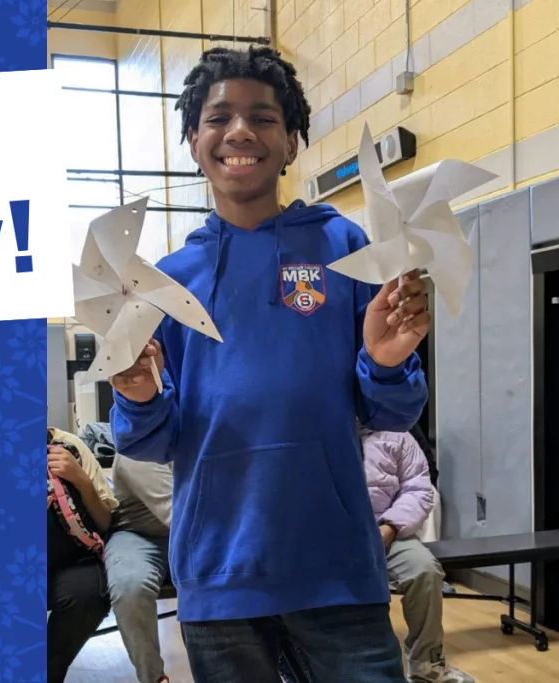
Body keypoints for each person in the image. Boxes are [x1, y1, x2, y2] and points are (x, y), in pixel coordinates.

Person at [108, 45, 431, 683]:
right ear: (193, 140)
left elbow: (394, 410)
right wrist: (140, 395)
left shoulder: (345, 247)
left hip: (337, 567)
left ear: (291, 142)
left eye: (263, 117)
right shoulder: (168, 282)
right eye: (218, 117)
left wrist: (387, 362)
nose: (239, 132)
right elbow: (149, 441)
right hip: (219, 573)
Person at [362, 427, 475, 683]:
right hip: (330, 537)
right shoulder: (318, 427)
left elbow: (418, 489)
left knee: (424, 569)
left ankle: (427, 664)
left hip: (387, 531)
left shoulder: (397, 434)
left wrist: (389, 528)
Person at [47, 426, 119, 683]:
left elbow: (104, 522)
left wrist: (80, 479)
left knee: (89, 592)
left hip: (70, 561)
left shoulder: (71, 447)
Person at [103, 453, 174, 683]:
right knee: (130, 587)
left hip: (187, 532)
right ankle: (153, 678)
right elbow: (177, 513)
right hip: (138, 533)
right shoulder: (138, 446)